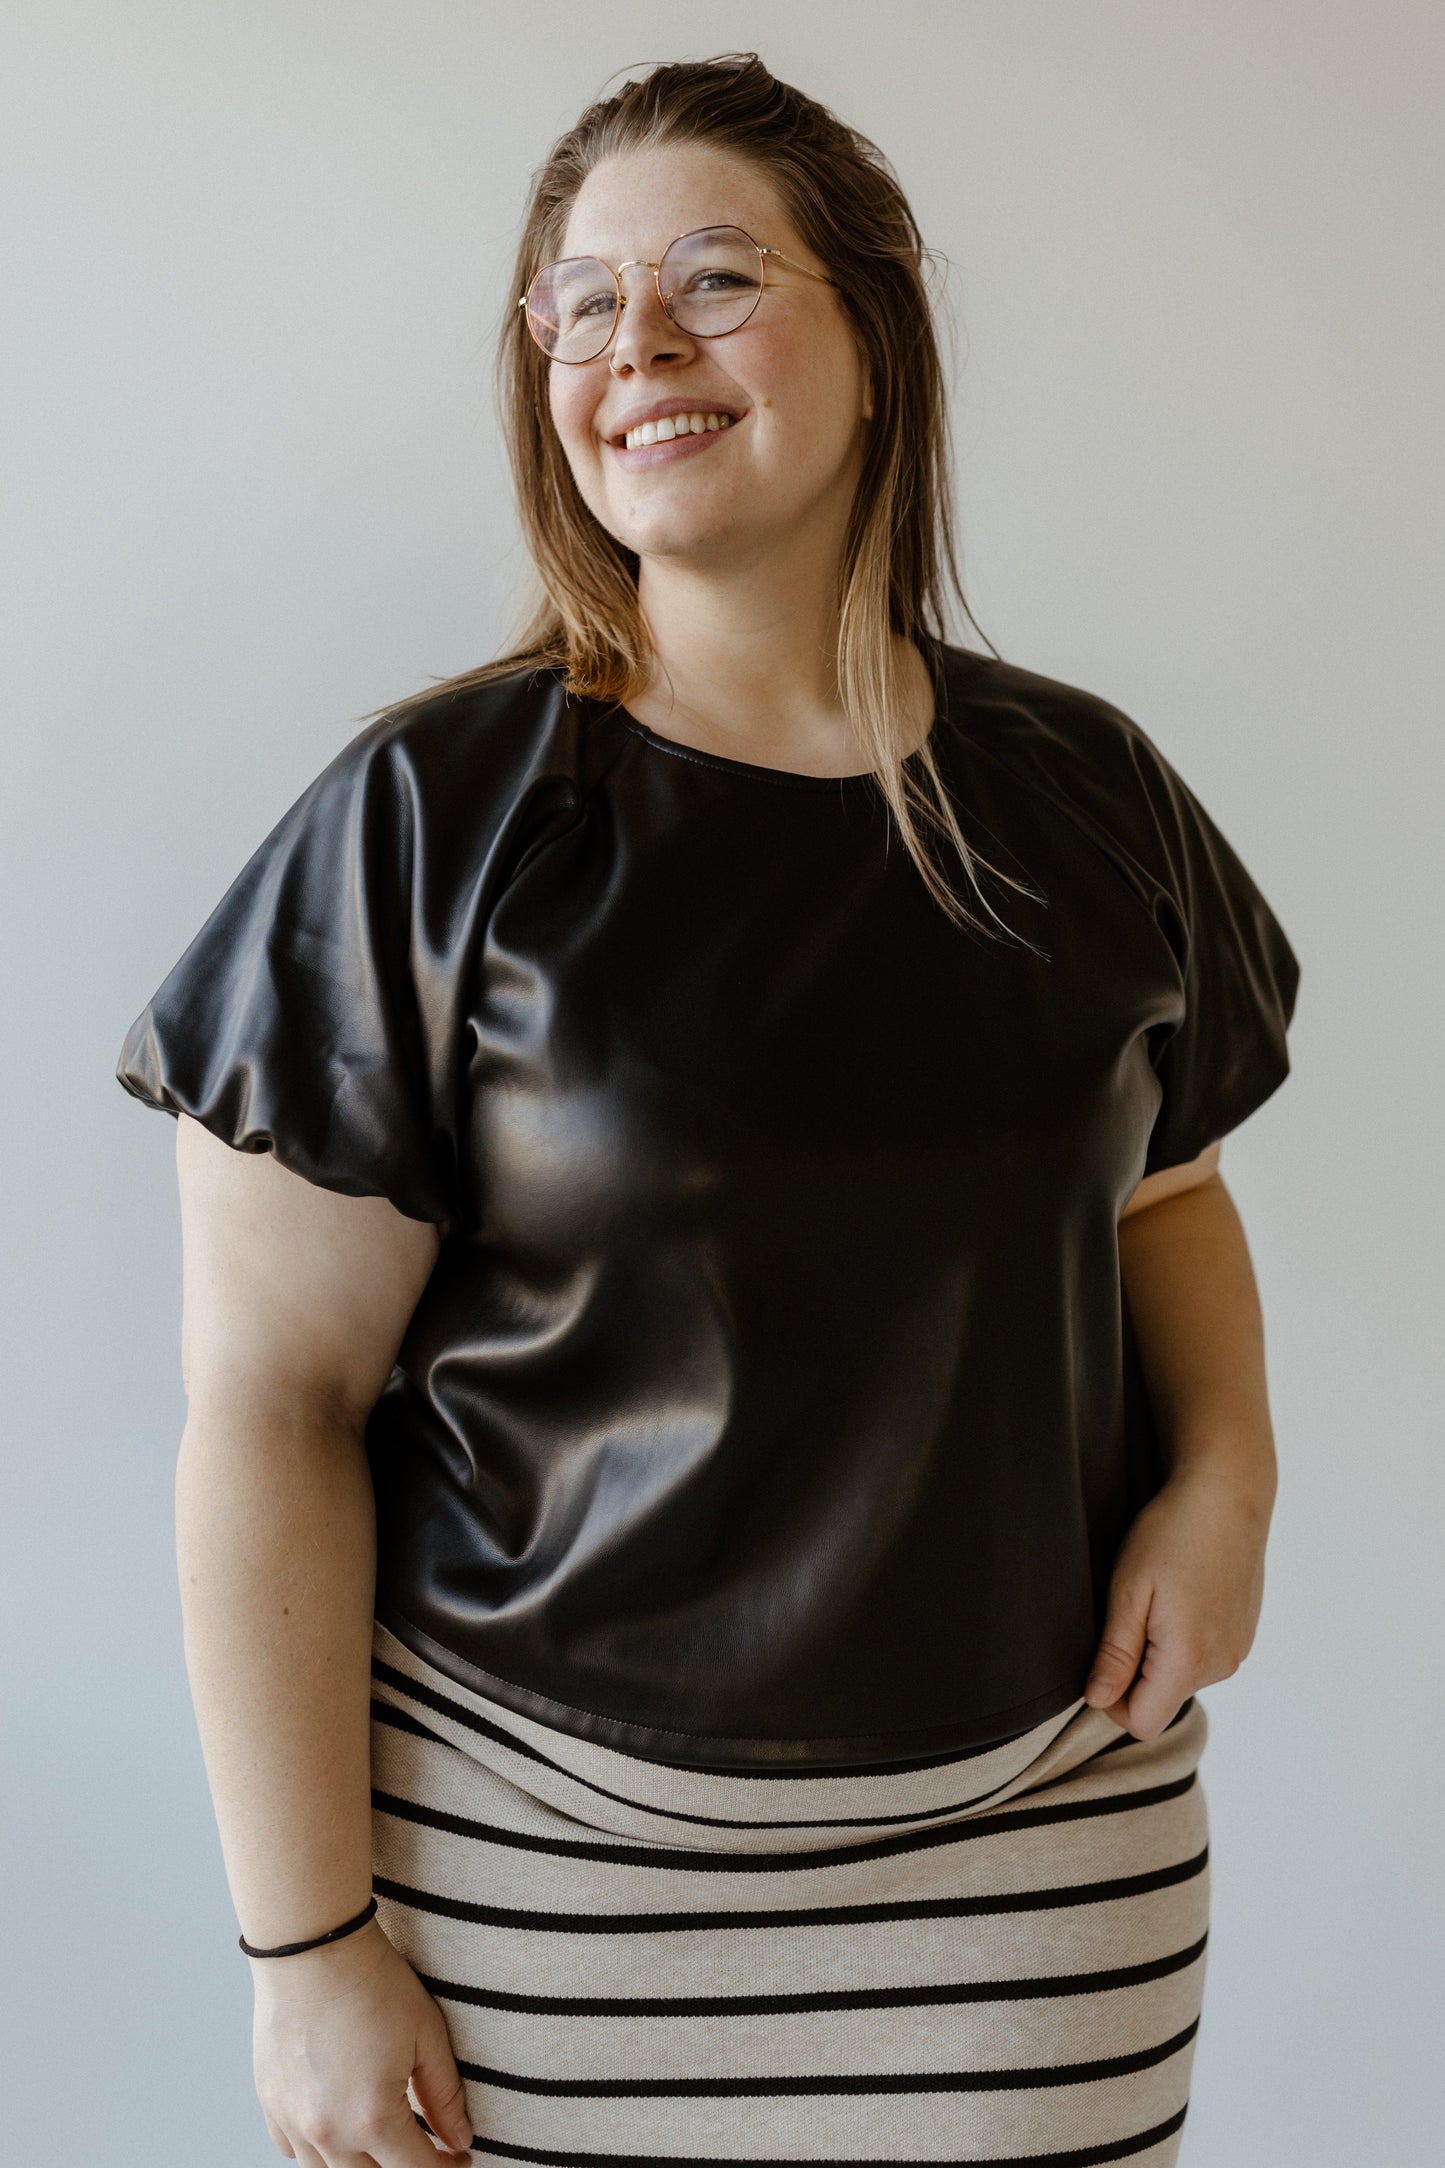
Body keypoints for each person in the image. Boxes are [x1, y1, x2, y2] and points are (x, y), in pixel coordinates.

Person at [115, 52, 1300, 2168]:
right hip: (532, 1899)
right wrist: (306, 1948)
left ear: (876, 335)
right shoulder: (426, 828)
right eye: (576, 304)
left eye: (713, 279)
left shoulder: (1087, 799)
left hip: (1040, 1880)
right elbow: (269, 1411)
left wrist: (1232, 1479)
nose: (633, 343)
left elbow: (1164, 1201)